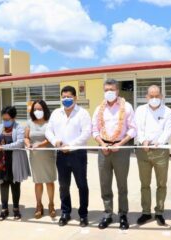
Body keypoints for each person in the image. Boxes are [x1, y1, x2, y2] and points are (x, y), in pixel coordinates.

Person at [92, 79, 137, 230]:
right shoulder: (99, 109)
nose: (108, 92)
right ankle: (107, 214)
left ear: (117, 91)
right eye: (106, 90)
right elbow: (94, 129)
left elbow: (132, 129)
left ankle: (123, 214)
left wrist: (120, 143)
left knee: (121, 184)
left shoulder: (127, 107)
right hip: (103, 148)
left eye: (111, 89)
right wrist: (102, 143)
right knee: (105, 183)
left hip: (120, 148)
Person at [46, 85, 91, 228]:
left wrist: (70, 146)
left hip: (78, 154)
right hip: (61, 155)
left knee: (82, 185)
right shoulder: (56, 113)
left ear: (75, 98)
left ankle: (83, 214)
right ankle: (65, 212)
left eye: (69, 97)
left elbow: (86, 133)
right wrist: (55, 142)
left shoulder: (82, 113)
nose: (66, 99)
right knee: (64, 185)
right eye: (63, 97)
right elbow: (49, 130)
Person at [134, 85, 171, 226]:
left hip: (161, 151)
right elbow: (137, 128)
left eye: (157, 96)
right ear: (147, 97)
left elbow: (168, 129)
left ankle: (159, 212)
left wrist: (159, 142)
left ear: (161, 96)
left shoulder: (168, 111)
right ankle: (146, 212)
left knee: (161, 184)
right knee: (145, 184)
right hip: (143, 151)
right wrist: (142, 140)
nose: (154, 99)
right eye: (151, 96)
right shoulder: (140, 110)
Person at [0, 106, 30, 221]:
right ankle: (4, 209)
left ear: (13, 118)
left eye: (7, 119)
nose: (5, 121)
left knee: (15, 185)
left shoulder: (19, 128)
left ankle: (16, 209)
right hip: (1, 161)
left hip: (14, 161)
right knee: (3, 184)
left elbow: (19, 143)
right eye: (3, 119)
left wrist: (3, 147)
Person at [25, 100, 57, 219]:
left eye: (40, 109)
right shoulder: (29, 123)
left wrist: (40, 145)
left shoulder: (50, 122)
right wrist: (28, 144)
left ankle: (51, 205)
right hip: (35, 156)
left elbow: (52, 138)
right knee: (38, 182)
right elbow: (26, 137)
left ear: (45, 109)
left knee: (49, 181)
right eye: (35, 109)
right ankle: (39, 206)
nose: (37, 111)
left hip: (48, 155)